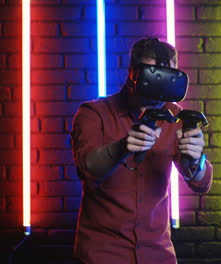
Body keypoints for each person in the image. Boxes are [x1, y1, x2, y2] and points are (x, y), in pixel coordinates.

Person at [71, 38, 213, 264]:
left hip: (157, 254)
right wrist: (123, 146)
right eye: (153, 75)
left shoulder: (175, 116)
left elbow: (201, 183)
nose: (160, 86)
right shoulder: (94, 114)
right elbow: (88, 168)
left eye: (168, 77)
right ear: (132, 74)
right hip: (102, 254)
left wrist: (197, 160)